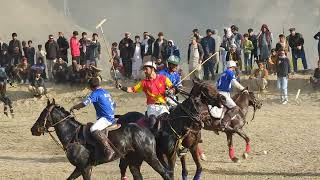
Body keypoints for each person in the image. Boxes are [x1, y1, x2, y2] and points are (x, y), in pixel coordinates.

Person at [70, 77, 117, 160]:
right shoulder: (105, 91)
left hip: (106, 118)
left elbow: (85, 103)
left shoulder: (95, 93)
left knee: (93, 129)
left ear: (90, 87)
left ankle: (109, 150)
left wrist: (75, 107)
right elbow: (114, 104)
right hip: (111, 116)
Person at [118, 61, 174, 129]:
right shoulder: (143, 83)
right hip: (152, 107)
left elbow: (173, 88)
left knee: (167, 121)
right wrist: (121, 87)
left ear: (152, 69)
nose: (144, 71)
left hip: (163, 106)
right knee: (152, 121)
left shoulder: (163, 78)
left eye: (146, 69)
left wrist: (171, 91)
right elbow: (132, 89)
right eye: (144, 69)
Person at [216, 60, 248, 131]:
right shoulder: (230, 72)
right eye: (234, 68)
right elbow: (234, 82)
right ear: (232, 67)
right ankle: (223, 123)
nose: (234, 69)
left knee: (227, 108)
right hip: (224, 94)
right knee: (235, 108)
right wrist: (243, 89)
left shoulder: (223, 73)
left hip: (218, 92)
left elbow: (216, 83)